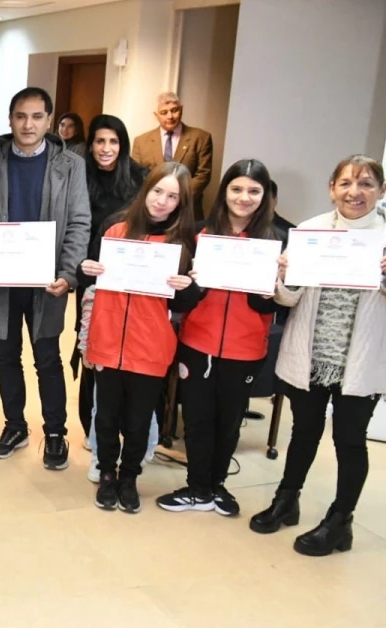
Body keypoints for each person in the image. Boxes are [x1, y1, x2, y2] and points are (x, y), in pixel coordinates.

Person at [250, 155, 386, 557]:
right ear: (332, 189)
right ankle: (286, 500)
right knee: (304, 430)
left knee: (349, 440)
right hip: (310, 354)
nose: (354, 192)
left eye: (365, 184)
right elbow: (288, 298)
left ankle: (340, 521)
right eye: (345, 183)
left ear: (381, 192)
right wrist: (285, 274)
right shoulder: (310, 231)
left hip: (358, 360)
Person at [0, 87, 90, 469]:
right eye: (20, 116)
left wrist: (68, 274)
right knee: (6, 355)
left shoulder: (71, 165)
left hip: (48, 283)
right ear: (10, 119)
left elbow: (79, 222)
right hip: (0, 282)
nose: (27, 124)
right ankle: (15, 425)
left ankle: (56, 432)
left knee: (48, 358)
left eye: (36, 117)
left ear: (49, 121)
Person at [158, 159, 281, 517]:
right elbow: (179, 300)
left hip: (246, 348)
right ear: (224, 191)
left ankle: (216, 486)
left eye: (254, 191)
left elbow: (264, 305)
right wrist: (195, 283)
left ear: (265, 196)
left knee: (229, 422)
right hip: (197, 343)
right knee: (196, 418)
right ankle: (196, 487)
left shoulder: (274, 243)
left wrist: (273, 281)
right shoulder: (197, 235)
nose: (244, 198)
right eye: (237, 188)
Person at [81, 163, 201, 514]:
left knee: (138, 420)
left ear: (182, 203)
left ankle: (129, 476)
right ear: (145, 190)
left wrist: (188, 288)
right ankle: (106, 475)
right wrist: (83, 270)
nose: (162, 201)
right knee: (105, 416)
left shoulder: (181, 245)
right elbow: (91, 276)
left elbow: (183, 304)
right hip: (108, 340)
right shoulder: (116, 230)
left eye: (173, 196)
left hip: (150, 346)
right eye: (158, 191)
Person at [76, 115, 149, 475]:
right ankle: (94, 427)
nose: (106, 149)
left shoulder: (141, 179)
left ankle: (129, 430)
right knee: (92, 352)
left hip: (132, 281)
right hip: (90, 278)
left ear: (123, 145)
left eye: (114, 142)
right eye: (100, 141)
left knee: (130, 356)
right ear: (90, 144)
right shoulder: (79, 174)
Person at [131, 92, 213, 217]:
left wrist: (178, 198)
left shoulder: (201, 137)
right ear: (156, 115)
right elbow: (136, 176)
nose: (170, 116)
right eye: (164, 112)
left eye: (174, 110)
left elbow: (203, 175)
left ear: (181, 110)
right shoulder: (141, 141)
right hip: (152, 210)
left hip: (187, 210)